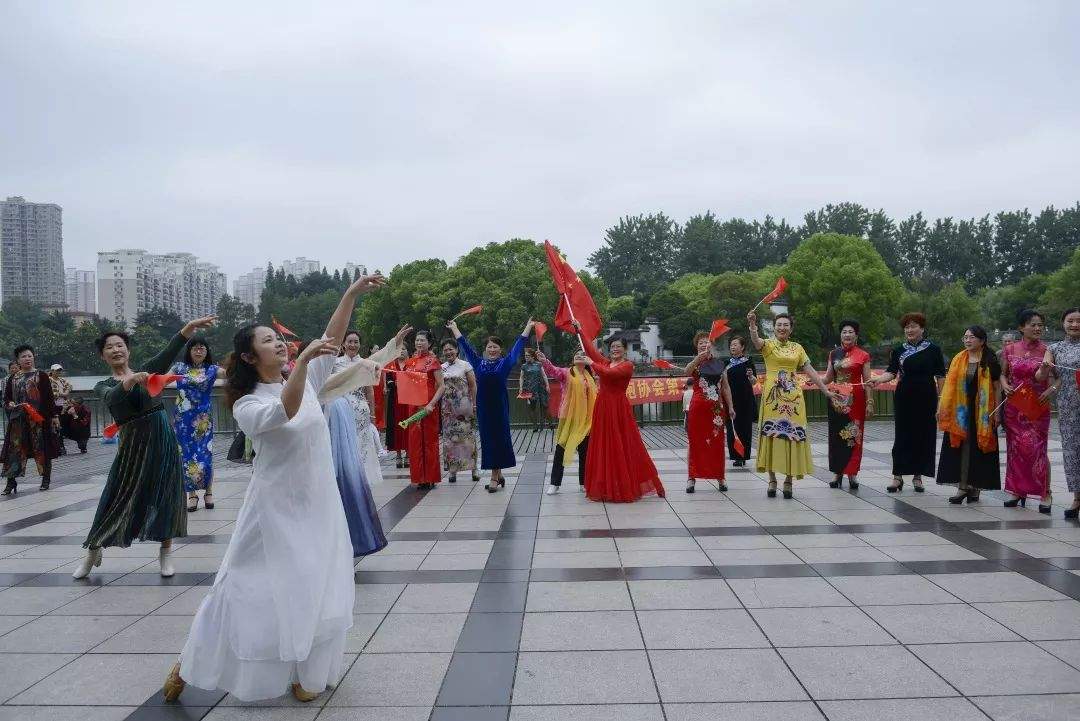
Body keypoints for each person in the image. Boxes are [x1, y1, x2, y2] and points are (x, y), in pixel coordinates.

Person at [163, 273, 385, 704]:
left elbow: (331, 340)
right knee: (244, 589)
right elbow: (284, 412)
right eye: (268, 341)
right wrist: (301, 364)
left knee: (314, 583)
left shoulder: (300, 379)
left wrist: (351, 294)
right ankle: (191, 664)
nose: (279, 344)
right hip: (271, 510)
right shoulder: (249, 404)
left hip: (317, 502)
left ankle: (307, 671)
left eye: (278, 339)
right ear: (249, 356)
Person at [74, 316, 216, 578]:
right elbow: (112, 397)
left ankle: (165, 553)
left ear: (128, 350)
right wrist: (129, 382)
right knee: (115, 498)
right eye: (110, 347)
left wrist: (189, 328)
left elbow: (169, 351)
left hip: (163, 442)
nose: (116, 350)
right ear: (103, 355)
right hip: (132, 449)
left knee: (167, 497)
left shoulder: (148, 369)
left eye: (120, 345)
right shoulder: (102, 384)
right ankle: (93, 549)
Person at [746, 311, 836, 499]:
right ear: (774, 327)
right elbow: (755, 341)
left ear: (791, 328)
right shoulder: (768, 345)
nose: (782, 328)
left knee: (791, 436)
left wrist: (825, 390)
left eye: (786, 325)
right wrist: (753, 324)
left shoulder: (798, 348)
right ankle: (772, 479)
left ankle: (788, 480)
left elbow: (809, 370)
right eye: (779, 324)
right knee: (771, 434)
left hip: (794, 398)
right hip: (773, 397)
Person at [575, 322, 665, 502]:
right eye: (612, 347)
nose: (615, 349)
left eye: (618, 347)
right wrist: (580, 329)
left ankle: (625, 485)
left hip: (618, 407)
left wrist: (591, 363)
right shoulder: (607, 362)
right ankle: (607, 485)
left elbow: (608, 375)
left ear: (625, 349)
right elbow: (591, 351)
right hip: (603, 407)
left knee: (622, 444)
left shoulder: (627, 365)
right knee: (604, 445)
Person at [447, 319, 532, 492]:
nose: (492, 349)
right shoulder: (478, 363)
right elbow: (465, 346)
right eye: (489, 347)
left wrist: (528, 328)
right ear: (485, 349)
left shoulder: (506, 362)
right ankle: (498, 475)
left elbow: (518, 345)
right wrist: (455, 328)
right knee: (488, 440)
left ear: (500, 350)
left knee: (499, 439)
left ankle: (494, 476)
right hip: (484, 408)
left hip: (499, 407)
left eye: (495, 347)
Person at [869, 312, 947, 492]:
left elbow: (941, 376)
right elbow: (892, 372)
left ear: (922, 329)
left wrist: (941, 401)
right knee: (902, 436)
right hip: (904, 396)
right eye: (907, 327)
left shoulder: (933, 349)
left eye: (913, 326)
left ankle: (918, 476)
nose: (910, 330)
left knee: (923, 436)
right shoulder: (899, 349)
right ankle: (897, 476)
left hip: (927, 396)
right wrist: (879, 380)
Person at [332, 327, 409, 485]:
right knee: (346, 446)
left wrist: (373, 415)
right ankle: (348, 482)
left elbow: (370, 392)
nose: (353, 344)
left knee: (363, 447)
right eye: (350, 342)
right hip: (341, 410)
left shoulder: (365, 363)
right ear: (343, 344)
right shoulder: (335, 364)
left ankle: (363, 482)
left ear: (360, 344)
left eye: (356, 342)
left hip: (361, 411)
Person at [937, 326, 1003, 503]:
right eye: (965, 337)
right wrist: (942, 407)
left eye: (971, 337)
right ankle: (962, 487)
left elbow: (997, 387)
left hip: (983, 413)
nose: (967, 340)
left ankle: (976, 487)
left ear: (982, 341)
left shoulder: (990, 359)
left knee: (979, 450)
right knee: (960, 449)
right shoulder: (958, 359)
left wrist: (997, 413)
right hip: (960, 412)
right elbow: (949, 387)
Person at [1000, 310, 1053, 513]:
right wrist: (1005, 385)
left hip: (1037, 406)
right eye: (1033, 324)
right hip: (1015, 406)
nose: (1038, 328)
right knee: (1016, 449)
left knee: (1039, 449)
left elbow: (1054, 377)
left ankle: (1045, 492)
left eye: (1040, 325)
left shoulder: (1047, 349)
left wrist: (1051, 388)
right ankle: (1017, 491)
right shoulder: (1010, 348)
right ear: (1022, 327)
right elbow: (1004, 375)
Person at [170, 336, 224, 512]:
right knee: (186, 456)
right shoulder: (179, 367)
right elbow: (163, 379)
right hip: (183, 420)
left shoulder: (212, 369)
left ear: (207, 351)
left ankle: (208, 492)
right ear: (189, 351)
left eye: (202, 348)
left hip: (203, 421)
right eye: (195, 348)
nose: (199, 351)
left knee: (205, 455)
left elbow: (233, 374)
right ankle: (191, 495)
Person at [2, 345, 62, 493]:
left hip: (38, 420)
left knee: (42, 448)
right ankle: (11, 482)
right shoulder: (13, 378)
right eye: (23, 356)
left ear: (33, 357)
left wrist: (54, 416)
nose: (27, 358)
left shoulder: (41, 376)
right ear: (18, 360)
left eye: (29, 356)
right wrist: (9, 403)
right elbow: (7, 398)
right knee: (13, 450)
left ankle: (45, 480)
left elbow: (48, 398)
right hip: (18, 420)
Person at [1038, 307, 1080, 518]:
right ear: (1063, 323)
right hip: (1068, 406)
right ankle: (1077, 498)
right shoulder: (1055, 348)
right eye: (1070, 321)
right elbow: (1042, 375)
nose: (1074, 325)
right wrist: (1045, 369)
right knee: (1072, 451)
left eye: (1078, 321)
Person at [539, 349, 597, 494]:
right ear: (573, 358)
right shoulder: (567, 373)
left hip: (586, 419)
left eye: (582, 355)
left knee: (585, 451)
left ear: (587, 360)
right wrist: (544, 361)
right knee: (561, 450)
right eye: (577, 354)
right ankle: (555, 483)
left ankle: (584, 482)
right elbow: (553, 371)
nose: (579, 356)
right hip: (568, 417)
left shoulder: (590, 376)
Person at [823, 320, 873, 489]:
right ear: (840, 335)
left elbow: (867, 381)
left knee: (854, 436)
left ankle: (852, 474)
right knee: (836, 436)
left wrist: (870, 402)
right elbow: (828, 378)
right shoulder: (834, 354)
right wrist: (814, 380)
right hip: (837, 399)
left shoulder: (863, 355)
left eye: (851, 331)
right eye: (844, 331)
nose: (847, 334)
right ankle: (837, 474)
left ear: (856, 335)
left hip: (856, 400)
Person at [683, 332, 735, 494]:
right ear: (696, 346)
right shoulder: (695, 363)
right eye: (701, 343)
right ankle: (691, 478)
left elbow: (725, 387)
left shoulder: (719, 363)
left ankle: (720, 477)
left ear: (711, 345)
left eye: (707, 342)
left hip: (716, 409)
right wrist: (698, 358)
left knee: (717, 442)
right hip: (697, 407)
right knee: (695, 442)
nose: (704, 345)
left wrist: (731, 407)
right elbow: (686, 372)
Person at [404, 330, 445, 489]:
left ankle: (431, 477)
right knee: (414, 441)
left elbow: (441, 386)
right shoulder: (410, 362)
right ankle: (419, 477)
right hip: (413, 405)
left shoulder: (433, 361)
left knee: (429, 441)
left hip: (428, 405)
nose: (419, 343)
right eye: (417, 340)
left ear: (429, 343)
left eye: (422, 340)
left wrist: (432, 404)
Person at [440, 339, 480, 483]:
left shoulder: (465, 365)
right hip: (447, 410)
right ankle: (452, 471)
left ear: (456, 350)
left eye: (451, 349)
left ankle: (474, 469)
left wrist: (474, 404)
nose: (448, 352)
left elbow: (473, 386)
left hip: (464, 408)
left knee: (468, 440)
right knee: (450, 441)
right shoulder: (441, 367)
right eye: (445, 350)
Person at [725, 336, 757, 468]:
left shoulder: (748, 362)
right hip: (730, 399)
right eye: (731, 345)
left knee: (744, 428)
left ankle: (743, 456)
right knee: (732, 428)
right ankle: (735, 456)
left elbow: (754, 382)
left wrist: (750, 376)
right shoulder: (726, 363)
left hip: (745, 399)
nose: (733, 347)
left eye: (735, 344)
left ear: (742, 347)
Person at [381, 345, 411, 469]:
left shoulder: (411, 364)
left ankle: (408, 454)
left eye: (404, 349)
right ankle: (398, 455)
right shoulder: (391, 365)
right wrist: (395, 383)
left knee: (408, 426)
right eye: (399, 349)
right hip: (395, 401)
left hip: (409, 401)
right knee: (396, 427)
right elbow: (388, 381)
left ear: (407, 351)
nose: (402, 351)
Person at [519, 347, 551, 432]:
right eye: (525, 356)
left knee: (545, 406)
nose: (526, 357)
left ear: (533, 356)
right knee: (532, 407)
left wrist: (547, 385)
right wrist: (521, 388)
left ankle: (549, 422)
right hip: (529, 389)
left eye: (528, 356)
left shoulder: (538, 364)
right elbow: (521, 377)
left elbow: (544, 375)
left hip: (540, 387)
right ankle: (535, 426)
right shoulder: (524, 366)